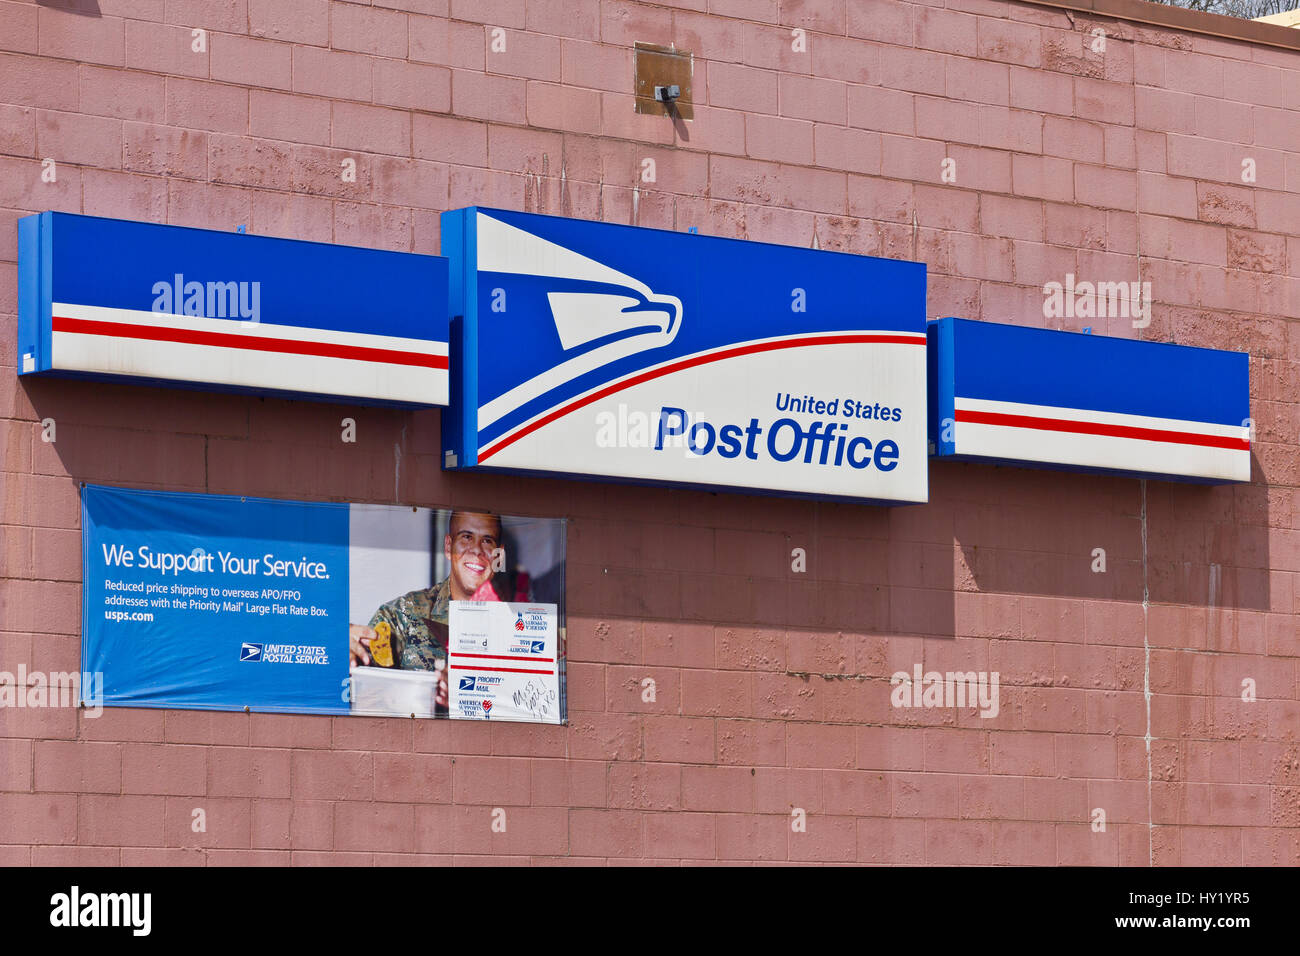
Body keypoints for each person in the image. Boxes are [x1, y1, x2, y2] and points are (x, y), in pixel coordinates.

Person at [349, 510, 503, 713]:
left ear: (499, 555)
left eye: (487, 541)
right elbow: (365, 691)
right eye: (466, 537)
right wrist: (339, 651)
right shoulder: (404, 615)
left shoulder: (517, 627)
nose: (476, 550)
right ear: (448, 547)